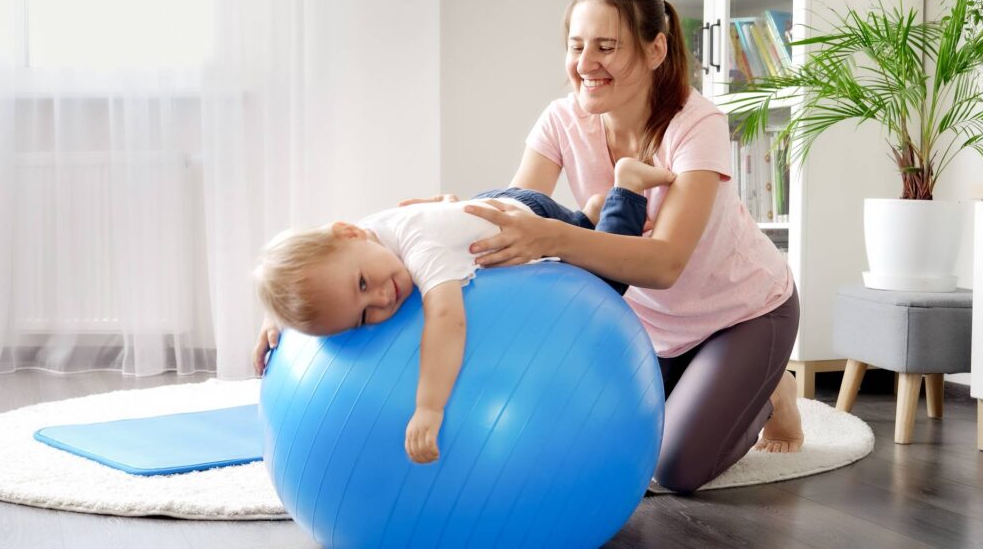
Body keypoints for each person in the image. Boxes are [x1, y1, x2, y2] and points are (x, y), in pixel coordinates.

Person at [411, 0, 803, 493]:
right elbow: (516, 211)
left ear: (655, 48)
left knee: (675, 467)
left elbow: (665, 262)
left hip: (744, 312)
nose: (585, 63)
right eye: (576, 46)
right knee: (594, 444)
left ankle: (775, 388)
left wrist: (552, 237)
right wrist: (447, 222)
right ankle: (717, 380)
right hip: (646, 325)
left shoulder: (695, 122)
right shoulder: (560, 121)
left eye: (606, 47)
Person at [251, 160, 675, 464]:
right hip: (492, 205)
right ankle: (592, 215)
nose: (380, 299)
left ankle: (627, 188)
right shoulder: (350, 243)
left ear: (350, 232)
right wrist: (277, 321)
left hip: (525, 222)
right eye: (363, 317)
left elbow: (447, 320)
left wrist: (430, 407)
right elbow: (307, 273)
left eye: (363, 284)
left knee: (602, 287)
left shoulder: (423, 249)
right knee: (579, 229)